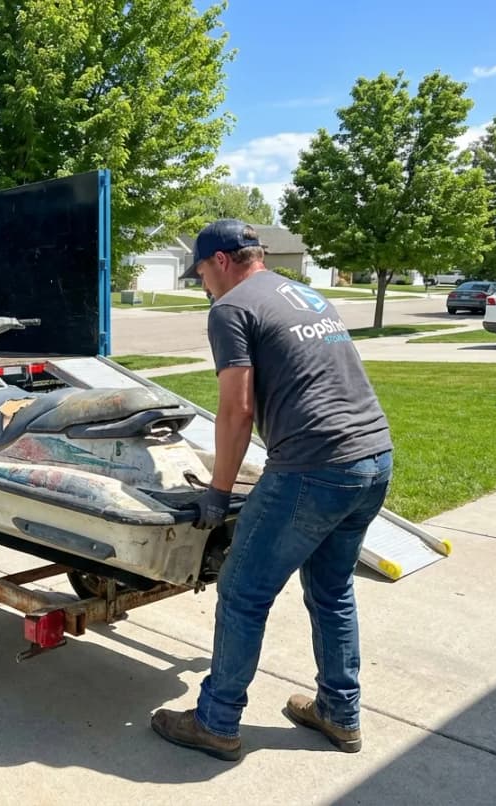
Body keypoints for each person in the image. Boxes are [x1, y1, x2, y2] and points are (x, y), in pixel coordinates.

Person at [150, 219, 393, 761]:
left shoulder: (231, 308)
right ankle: (339, 713)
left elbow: (236, 411)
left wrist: (217, 491)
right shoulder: (305, 294)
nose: (203, 285)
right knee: (332, 593)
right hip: (373, 457)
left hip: (315, 467)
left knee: (242, 592)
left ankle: (215, 722)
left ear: (222, 261)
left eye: (202, 273)